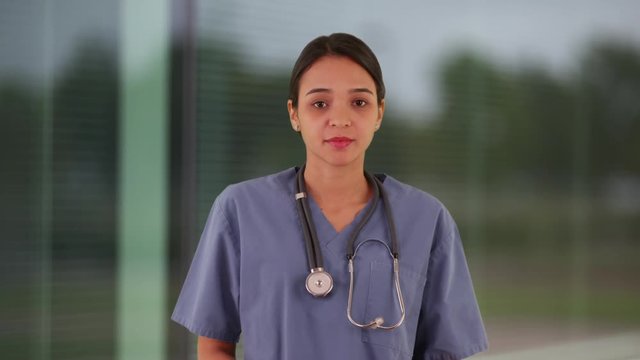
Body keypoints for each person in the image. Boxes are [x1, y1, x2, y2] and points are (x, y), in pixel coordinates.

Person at [172, 32, 488, 360]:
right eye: (319, 103)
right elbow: (214, 345)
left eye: (359, 102)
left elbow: (445, 352)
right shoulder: (240, 210)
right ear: (294, 114)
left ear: (379, 113)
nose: (339, 119)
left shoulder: (427, 219)